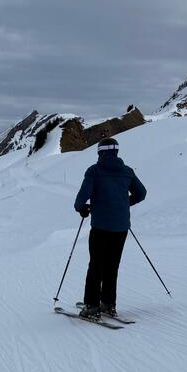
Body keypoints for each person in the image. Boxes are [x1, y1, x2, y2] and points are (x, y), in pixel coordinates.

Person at [73, 137, 147, 320]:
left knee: (96, 266)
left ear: (100, 152)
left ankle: (91, 307)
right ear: (116, 151)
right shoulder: (127, 171)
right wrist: (124, 204)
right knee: (112, 266)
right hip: (121, 228)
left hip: (100, 227)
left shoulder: (94, 171)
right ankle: (108, 304)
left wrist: (84, 209)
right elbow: (142, 193)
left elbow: (80, 201)